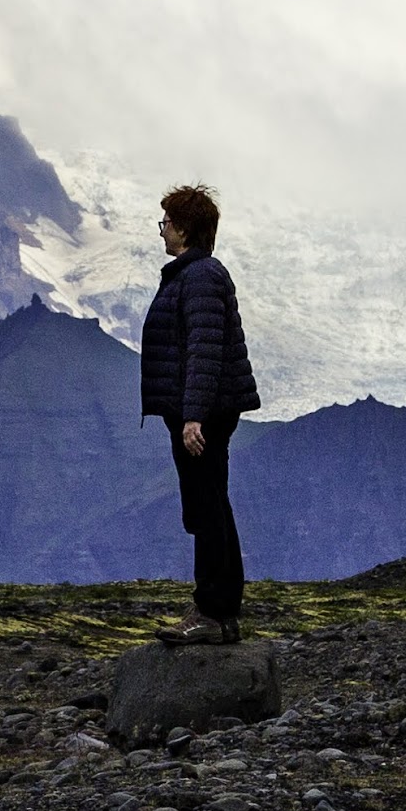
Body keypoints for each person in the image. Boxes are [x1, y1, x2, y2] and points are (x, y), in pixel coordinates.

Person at [138, 182, 260, 645]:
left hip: (203, 413)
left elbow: (204, 351)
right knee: (209, 505)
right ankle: (218, 608)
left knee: (207, 507)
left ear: (185, 228)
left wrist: (193, 417)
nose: (162, 231)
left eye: (166, 222)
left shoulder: (201, 276)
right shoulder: (193, 274)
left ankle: (212, 609)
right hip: (201, 409)